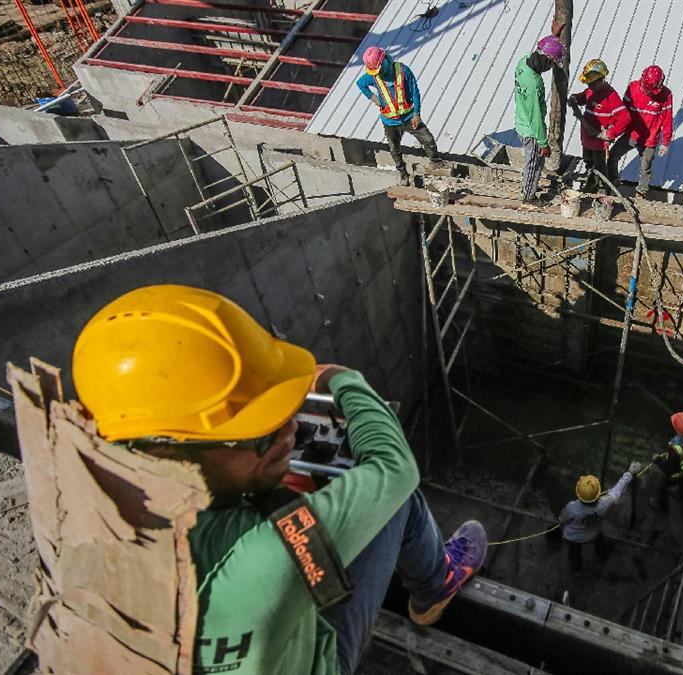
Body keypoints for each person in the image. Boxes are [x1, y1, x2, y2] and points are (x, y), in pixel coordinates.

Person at [70, 285, 487, 675]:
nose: (289, 434)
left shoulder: (84, 499)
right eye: (263, 433)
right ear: (172, 450)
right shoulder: (268, 548)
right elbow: (395, 470)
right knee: (398, 501)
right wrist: (347, 380)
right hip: (314, 659)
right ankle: (435, 585)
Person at [356, 46, 443, 186]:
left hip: (409, 117)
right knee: (394, 149)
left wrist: (417, 114)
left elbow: (415, 91)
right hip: (390, 121)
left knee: (428, 140)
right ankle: (403, 174)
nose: (378, 73)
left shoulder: (403, 71)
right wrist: (373, 98)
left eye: (379, 69)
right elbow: (360, 84)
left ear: (384, 60)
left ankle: (436, 163)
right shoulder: (372, 76)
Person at [559, 463, 641, 574]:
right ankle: (601, 556)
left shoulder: (572, 507)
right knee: (600, 543)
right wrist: (630, 473)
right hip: (594, 533)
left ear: (579, 494)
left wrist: (561, 522)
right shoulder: (604, 503)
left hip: (573, 537)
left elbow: (563, 519)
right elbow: (618, 489)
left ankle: (576, 569)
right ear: (598, 493)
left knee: (574, 554)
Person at [609, 65, 673, 200]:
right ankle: (614, 180)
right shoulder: (633, 88)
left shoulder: (666, 96)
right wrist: (613, 130)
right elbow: (622, 112)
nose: (648, 93)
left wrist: (665, 142)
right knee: (613, 155)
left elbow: (667, 119)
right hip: (631, 134)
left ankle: (641, 193)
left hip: (649, 140)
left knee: (645, 168)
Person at [514, 36, 565, 207]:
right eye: (551, 64)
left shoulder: (523, 62)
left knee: (535, 161)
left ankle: (529, 190)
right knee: (534, 164)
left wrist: (554, 35)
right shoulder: (533, 84)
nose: (550, 68)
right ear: (547, 59)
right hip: (532, 131)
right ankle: (528, 197)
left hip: (521, 121)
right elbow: (536, 118)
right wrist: (543, 142)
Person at [567, 59, 630, 193]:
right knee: (589, 162)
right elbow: (584, 97)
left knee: (600, 167)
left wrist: (610, 133)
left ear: (601, 80)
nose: (589, 86)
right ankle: (591, 183)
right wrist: (575, 98)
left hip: (599, 142)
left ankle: (601, 190)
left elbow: (625, 118)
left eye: (591, 84)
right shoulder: (591, 89)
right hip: (587, 138)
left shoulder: (611, 96)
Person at [649, 411, 683, 513]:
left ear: (678, 431)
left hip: (675, 475)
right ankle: (682, 496)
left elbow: (667, 470)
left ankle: (659, 505)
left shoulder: (675, 452)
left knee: (661, 487)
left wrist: (657, 460)